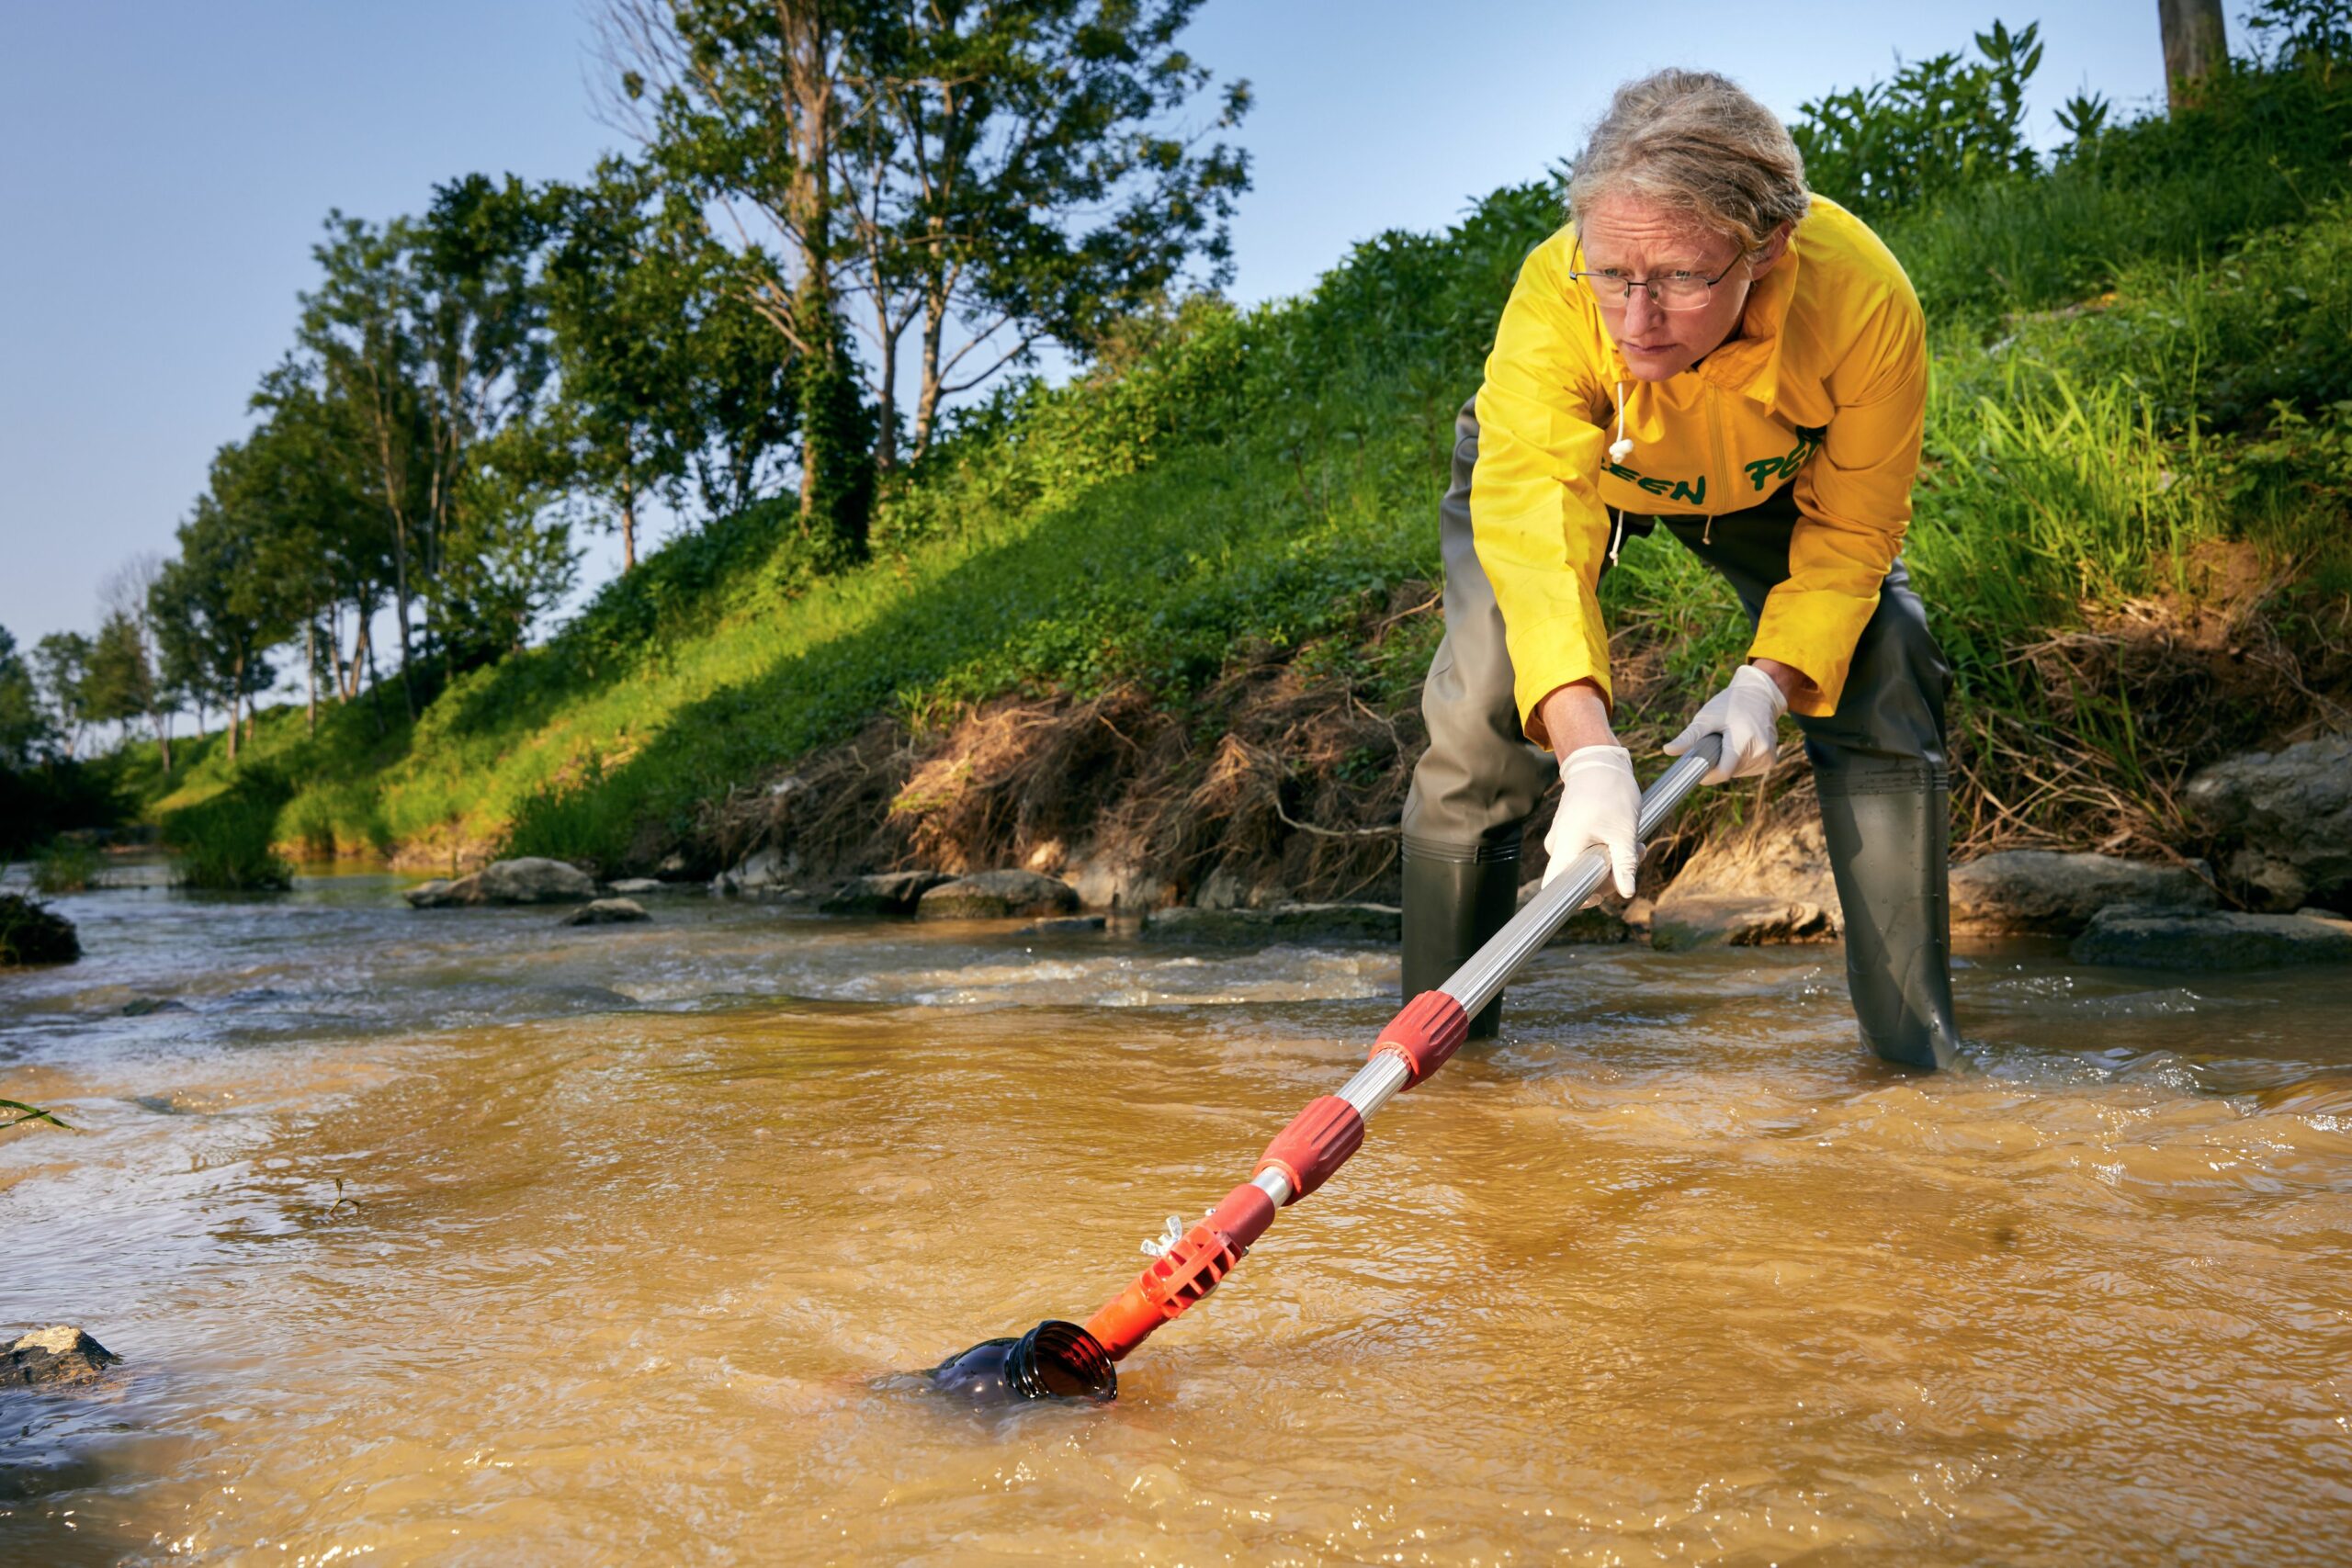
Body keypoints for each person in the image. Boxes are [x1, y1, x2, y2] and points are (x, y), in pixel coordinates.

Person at [1398, 68, 1960, 1070]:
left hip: (1760, 479)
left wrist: (1765, 682)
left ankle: (1917, 1060)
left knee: (1883, 663)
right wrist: (1590, 754)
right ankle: (1450, 1082)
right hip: (1584, 475)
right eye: (1612, 273)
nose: (1636, 317)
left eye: (1682, 280)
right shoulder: (1554, 300)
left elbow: (1855, 531)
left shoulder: (1862, 300)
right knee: (1483, 708)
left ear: (1770, 248)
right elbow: (1534, 547)